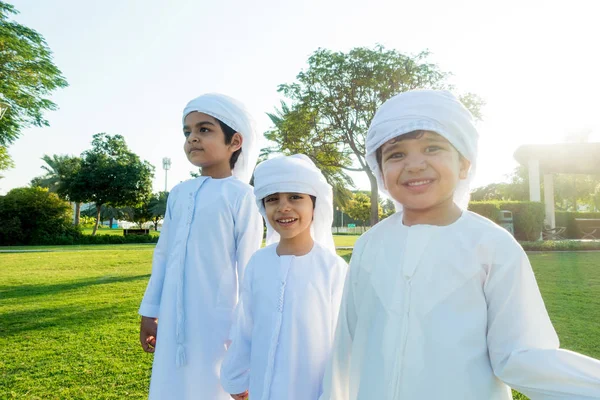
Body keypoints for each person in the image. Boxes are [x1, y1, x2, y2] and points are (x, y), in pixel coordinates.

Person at [320, 89, 600, 399]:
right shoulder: (369, 245)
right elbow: (348, 340)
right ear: (381, 174)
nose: (414, 165)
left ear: (465, 164)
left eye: (432, 148)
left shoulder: (492, 246)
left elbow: (522, 355)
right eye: (396, 154)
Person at [138, 93, 264, 399]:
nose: (192, 138)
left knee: (212, 387)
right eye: (187, 131)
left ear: (235, 141)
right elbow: (164, 255)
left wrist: (242, 335)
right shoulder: (180, 194)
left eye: (204, 130)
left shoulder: (243, 197)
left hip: (218, 322)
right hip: (171, 317)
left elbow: (249, 269)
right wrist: (150, 312)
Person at [221, 154, 348, 400]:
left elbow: (342, 344)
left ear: (314, 205)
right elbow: (246, 326)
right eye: (272, 199)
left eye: (295, 197)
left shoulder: (332, 269)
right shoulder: (258, 263)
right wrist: (235, 378)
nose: (283, 207)